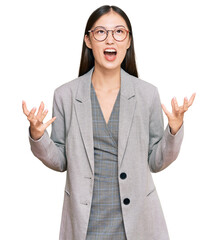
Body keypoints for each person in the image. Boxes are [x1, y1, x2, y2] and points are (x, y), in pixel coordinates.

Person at [22, 5, 195, 240]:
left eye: (119, 32)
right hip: (85, 222)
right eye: (101, 32)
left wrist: (173, 130)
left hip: (138, 223)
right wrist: (38, 136)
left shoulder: (147, 94)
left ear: (128, 41)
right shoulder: (65, 95)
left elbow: (156, 161)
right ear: (88, 40)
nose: (110, 39)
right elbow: (61, 160)